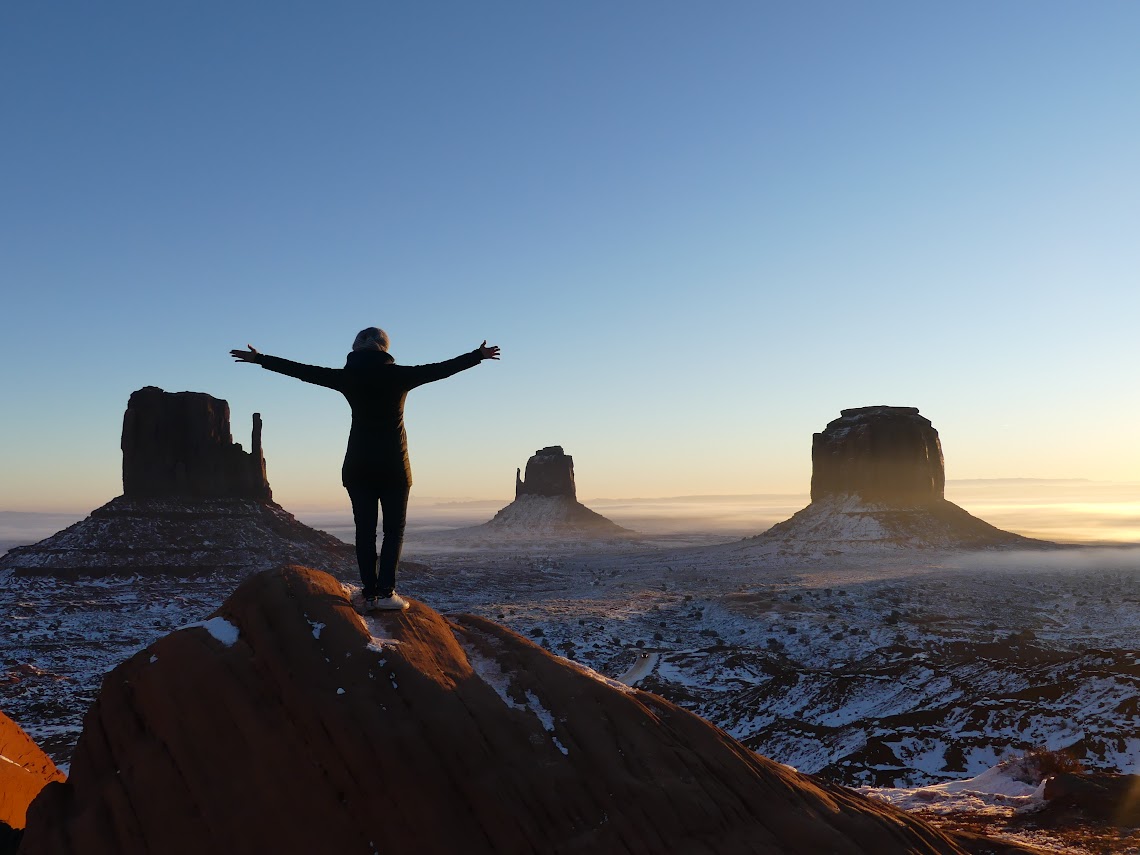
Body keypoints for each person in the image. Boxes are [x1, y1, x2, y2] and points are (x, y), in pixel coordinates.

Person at [231, 328, 500, 611]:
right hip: (395, 467)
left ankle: (369, 594)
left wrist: (260, 359)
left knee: (365, 531)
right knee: (394, 532)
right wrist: (477, 356)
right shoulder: (399, 376)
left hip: (358, 467)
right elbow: (441, 370)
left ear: (356, 348)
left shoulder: (348, 377)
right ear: (385, 348)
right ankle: (387, 594)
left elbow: (302, 371)